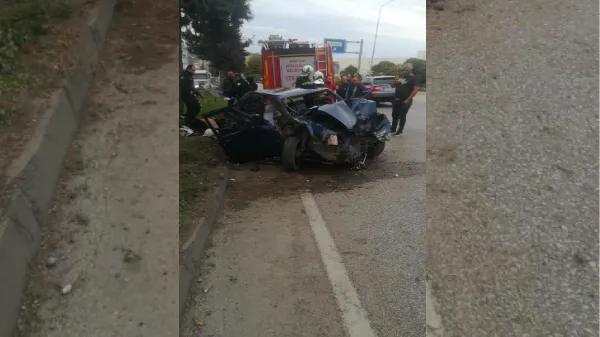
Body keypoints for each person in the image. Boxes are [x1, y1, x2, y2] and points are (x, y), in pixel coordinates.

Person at [390, 63, 420, 136]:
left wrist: (408, 99)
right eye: (404, 69)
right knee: (394, 115)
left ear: (410, 70)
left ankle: (400, 131)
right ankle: (393, 129)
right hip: (397, 99)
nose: (405, 71)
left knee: (402, 115)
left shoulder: (414, 78)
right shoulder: (399, 76)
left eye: (406, 70)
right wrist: (394, 82)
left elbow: (415, 90)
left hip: (406, 100)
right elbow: (392, 86)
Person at [179, 64, 203, 133]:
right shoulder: (184, 76)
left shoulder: (190, 76)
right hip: (186, 95)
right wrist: (191, 91)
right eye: (192, 70)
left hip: (190, 95)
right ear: (188, 69)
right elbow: (184, 87)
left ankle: (189, 120)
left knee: (195, 108)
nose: (194, 72)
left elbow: (192, 87)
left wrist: (198, 93)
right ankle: (189, 121)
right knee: (194, 107)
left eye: (194, 70)